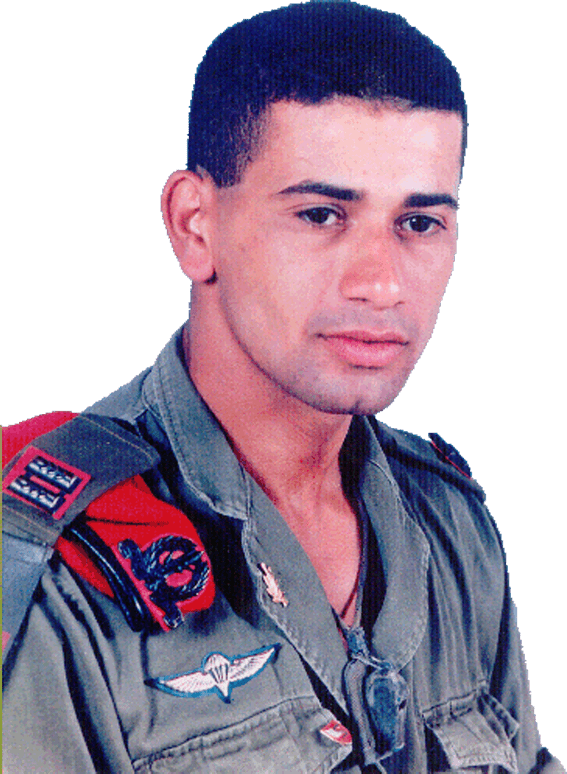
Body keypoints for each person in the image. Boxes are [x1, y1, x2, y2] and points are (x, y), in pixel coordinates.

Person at [2, 2, 564, 772]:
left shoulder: (451, 526)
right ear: (194, 225)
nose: (380, 284)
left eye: (418, 223)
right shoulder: (50, 570)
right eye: (320, 214)